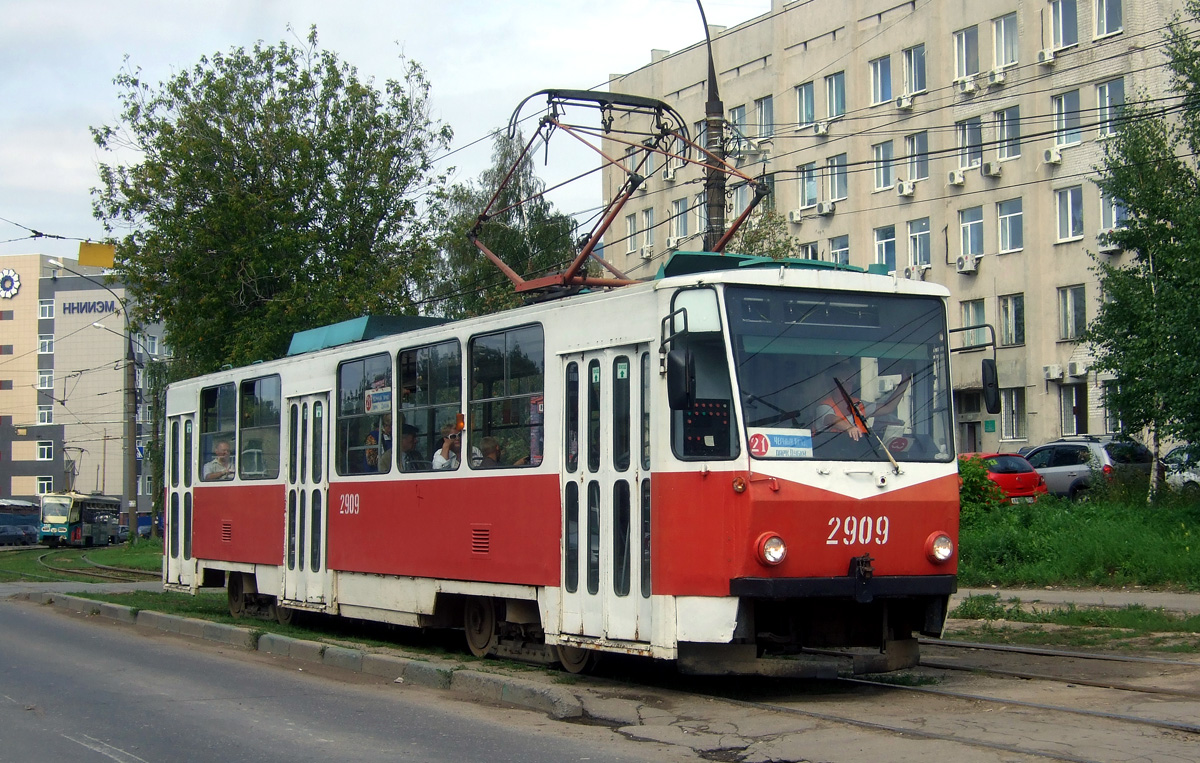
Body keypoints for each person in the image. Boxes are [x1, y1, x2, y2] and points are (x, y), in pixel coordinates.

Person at [814, 369, 911, 442]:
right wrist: (849, 428)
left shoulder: (857, 404)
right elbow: (831, 419)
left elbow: (888, 408)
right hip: (827, 456)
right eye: (843, 382)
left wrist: (905, 381)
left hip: (857, 455)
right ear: (833, 385)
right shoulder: (824, 406)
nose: (848, 386)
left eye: (851, 382)